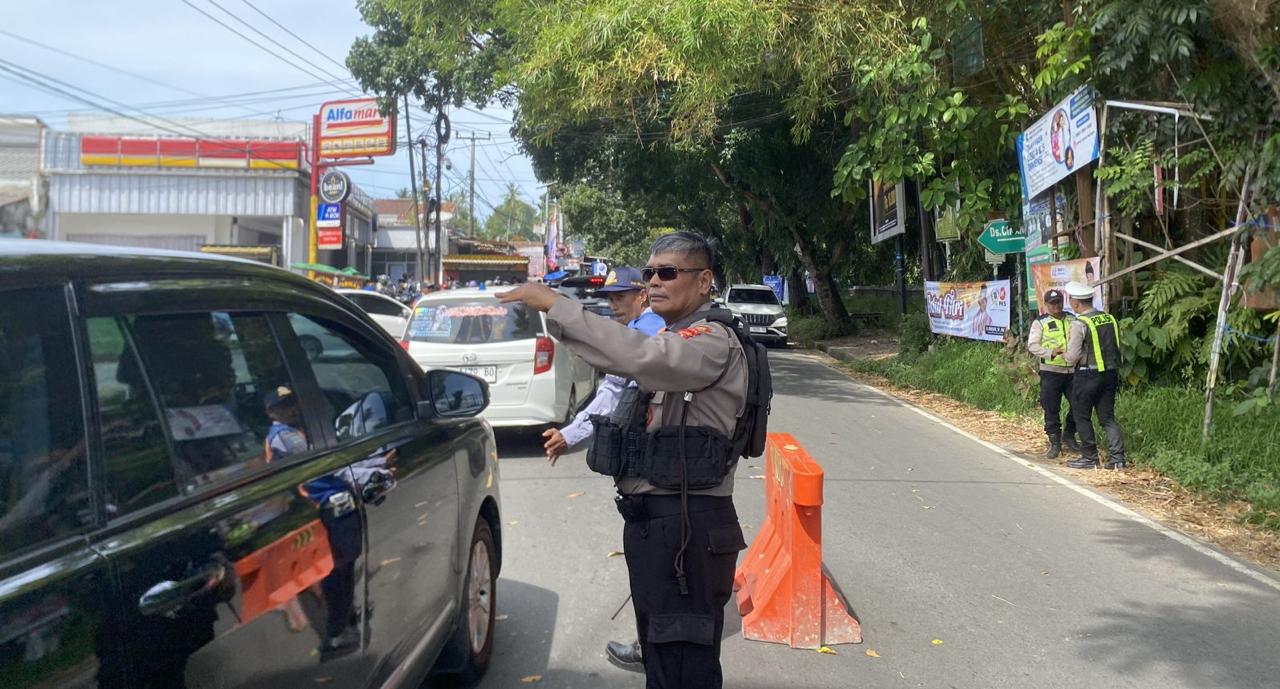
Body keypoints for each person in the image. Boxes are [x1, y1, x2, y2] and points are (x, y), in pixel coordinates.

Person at [499, 231, 763, 688]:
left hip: (687, 529)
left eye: (668, 272)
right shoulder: (675, 335)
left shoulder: (710, 339)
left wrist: (556, 304)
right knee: (662, 660)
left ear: (704, 281)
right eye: (650, 272)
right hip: (663, 526)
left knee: (683, 669)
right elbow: (621, 368)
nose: (654, 282)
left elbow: (638, 356)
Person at [543, 267, 665, 464]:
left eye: (620, 297)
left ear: (642, 296)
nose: (613, 305)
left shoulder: (639, 330)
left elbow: (612, 395)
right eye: (610, 299)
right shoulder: (662, 323)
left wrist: (570, 435)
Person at [1063, 281, 1126, 469]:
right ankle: (1118, 459)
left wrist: (1063, 354)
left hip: (1087, 376)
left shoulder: (1079, 324)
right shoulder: (1109, 318)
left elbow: (1072, 356)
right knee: (1107, 417)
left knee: (1081, 415)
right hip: (1110, 374)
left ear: (1075, 303)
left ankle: (1090, 457)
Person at [1027, 290, 1079, 458]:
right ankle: (1055, 442)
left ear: (1063, 302)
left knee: (1080, 404)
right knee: (1051, 408)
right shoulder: (1040, 322)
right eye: (1052, 303)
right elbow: (1032, 345)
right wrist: (1050, 353)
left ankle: (1069, 435)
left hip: (1072, 371)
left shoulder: (1072, 319)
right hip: (1051, 372)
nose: (1056, 306)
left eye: (1058, 302)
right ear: (1046, 305)